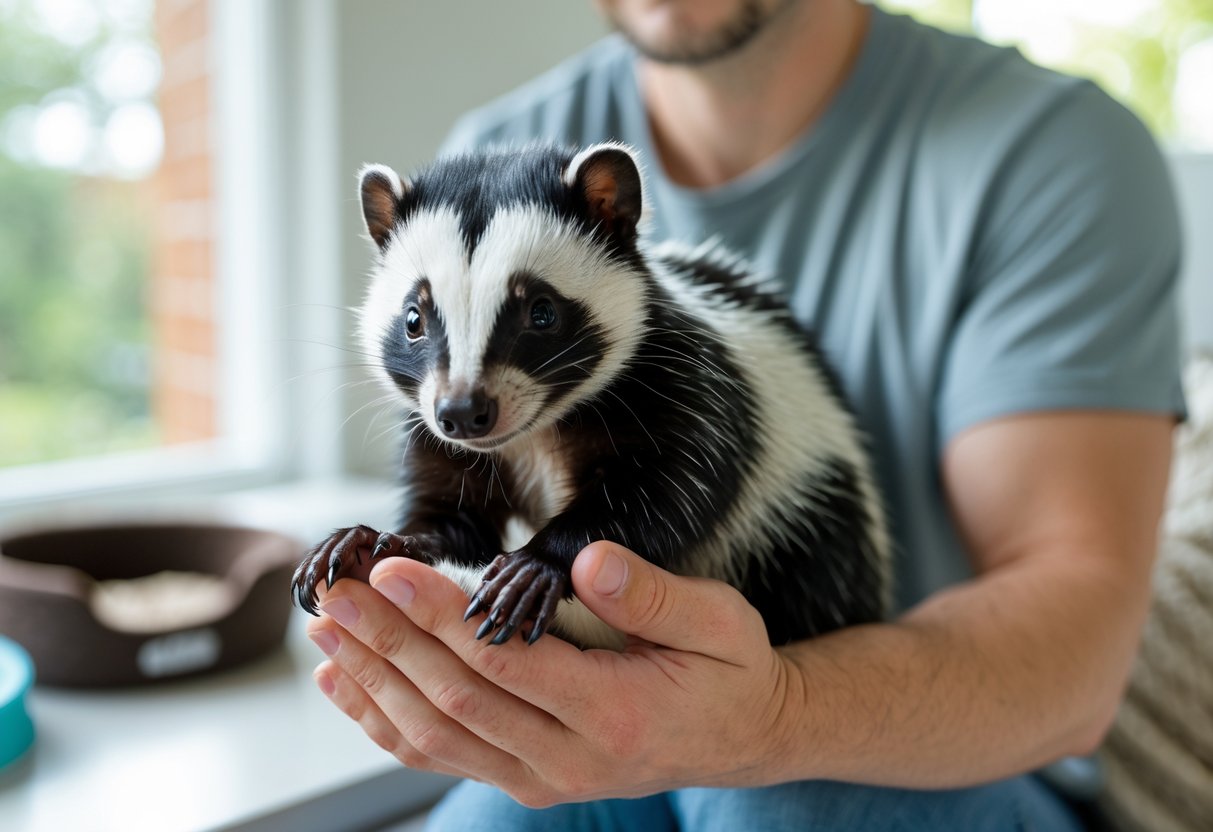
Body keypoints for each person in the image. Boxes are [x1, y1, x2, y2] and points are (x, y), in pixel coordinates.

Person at [306, 1, 1185, 828]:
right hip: (616, 713)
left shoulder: (1052, 151)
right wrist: (403, 561)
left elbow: (1075, 651)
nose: (459, 397)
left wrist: (771, 718)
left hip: (928, 738)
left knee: (784, 802)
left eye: (530, 319)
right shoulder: (487, 163)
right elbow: (458, 521)